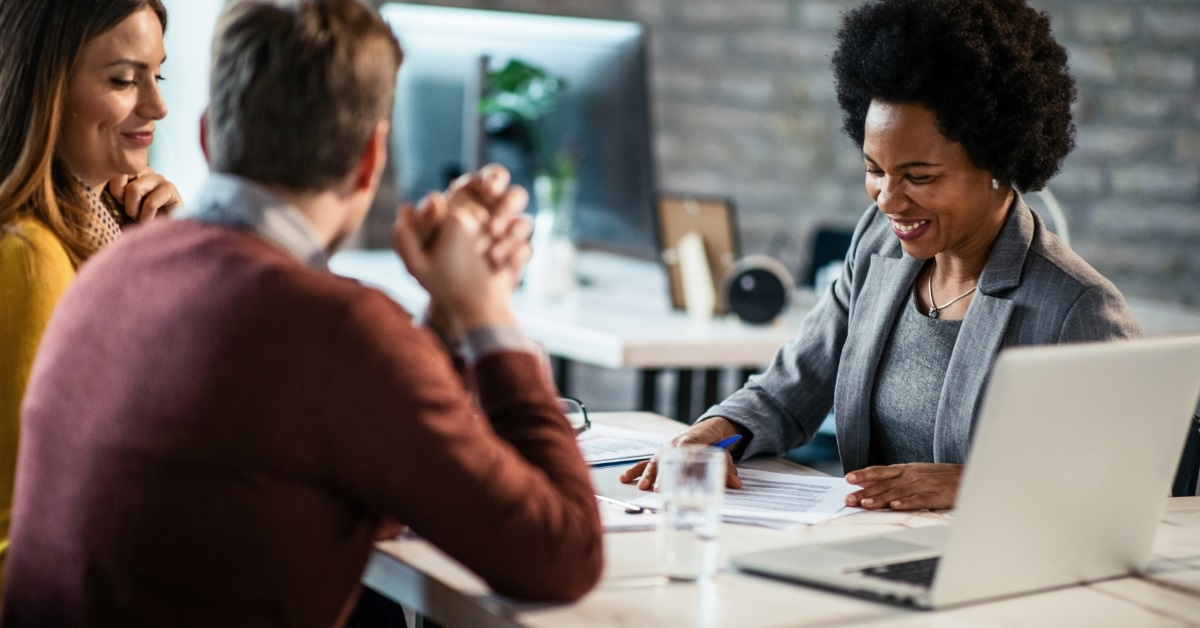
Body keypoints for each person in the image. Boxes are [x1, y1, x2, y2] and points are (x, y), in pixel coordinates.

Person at [3, 0, 601, 624]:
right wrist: (487, 311)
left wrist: (447, 322)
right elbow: (565, 556)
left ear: (209, 136)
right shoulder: (341, 330)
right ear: (371, 157)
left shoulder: (110, 268)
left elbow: (370, 462)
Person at [622, 0, 1140, 511]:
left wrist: (981, 484)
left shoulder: (1079, 309)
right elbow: (790, 389)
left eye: (919, 177)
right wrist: (716, 433)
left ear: (1000, 164)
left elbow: (1123, 484)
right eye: (875, 169)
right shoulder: (878, 245)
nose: (888, 200)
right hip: (866, 551)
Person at [0, 0, 182, 594]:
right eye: (124, 80)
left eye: (158, 75)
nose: (157, 106)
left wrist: (164, 258)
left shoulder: (110, 229)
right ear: (45, 87)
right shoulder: (32, 257)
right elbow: (19, 527)